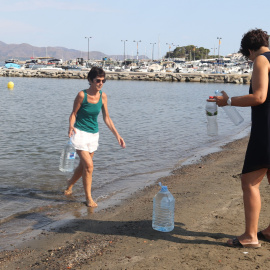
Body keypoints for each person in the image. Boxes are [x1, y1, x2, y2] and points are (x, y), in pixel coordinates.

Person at [211, 29, 270, 248]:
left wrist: (228, 101)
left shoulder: (261, 60)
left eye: (248, 56)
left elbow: (259, 96)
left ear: (249, 50)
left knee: (249, 181)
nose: (249, 59)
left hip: (266, 130)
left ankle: (250, 236)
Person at [64, 67, 126, 207]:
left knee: (83, 166)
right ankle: (88, 198)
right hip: (79, 133)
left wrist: (118, 135)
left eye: (103, 81)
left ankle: (69, 185)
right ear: (90, 80)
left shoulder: (103, 96)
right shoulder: (82, 95)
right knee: (89, 166)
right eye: (98, 80)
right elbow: (73, 114)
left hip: (93, 135)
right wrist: (70, 126)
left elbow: (107, 118)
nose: (101, 83)